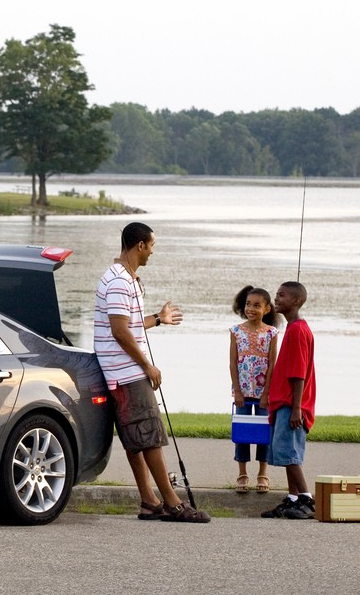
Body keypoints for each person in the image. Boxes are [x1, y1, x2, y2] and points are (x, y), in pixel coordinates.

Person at [94, 221, 210, 523]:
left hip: (121, 372)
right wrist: (147, 366)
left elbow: (128, 323)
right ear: (140, 245)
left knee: (136, 438)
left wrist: (158, 319)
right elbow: (120, 331)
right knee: (150, 437)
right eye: (152, 246)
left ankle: (149, 501)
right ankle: (173, 504)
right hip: (127, 373)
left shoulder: (123, 278)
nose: (152, 252)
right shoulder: (120, 281)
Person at [261, 282, 317, 519]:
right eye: (276, 295)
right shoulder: (294, 328)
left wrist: (296, 408)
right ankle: (293, 498)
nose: (276, 298)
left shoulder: (297, 330)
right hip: (284, 402)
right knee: (285, 453)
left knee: (289, 453)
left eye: (281, 295)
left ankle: (306, 498)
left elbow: (298, 372)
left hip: (291, 404)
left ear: (296, 301)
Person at [229, 285, 279, 493]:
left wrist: (267, 393)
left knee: (262, 433)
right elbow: (233, 363)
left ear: (267, 309)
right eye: (248, 304)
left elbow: (273, 364)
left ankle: (262, 473)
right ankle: (242, 473)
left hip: (263, 395)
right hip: (242, 393)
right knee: (241, 432)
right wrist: (238, 391)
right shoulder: (236, 331)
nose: (251, 309)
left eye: (257, 305)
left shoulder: (271, 333)